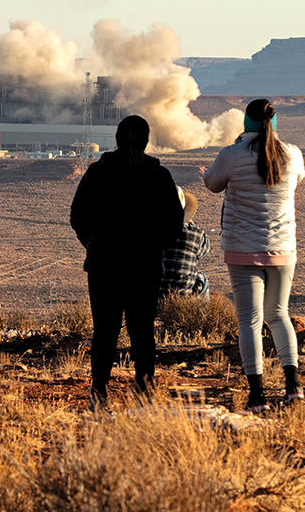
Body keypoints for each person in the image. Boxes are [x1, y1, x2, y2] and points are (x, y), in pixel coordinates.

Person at [70, 115, 183, 410]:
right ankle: (145, 392)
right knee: (142, 331)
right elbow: (175, 222)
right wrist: (157, 248)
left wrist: (94, 245)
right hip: (145, 267)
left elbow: (77, 217)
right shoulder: (159, 176)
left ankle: (99, 393)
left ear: (117, 139)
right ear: (146, 141)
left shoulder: (98, 173)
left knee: (104, 330)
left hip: (104, 265)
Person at [203, 98, 305, 412]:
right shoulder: (292, 154)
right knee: (279, 314)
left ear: (245, 122)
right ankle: (293, 386)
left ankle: (257, 394)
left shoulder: (231, 155)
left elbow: (211, 184)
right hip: (283, 248)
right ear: (274, 123)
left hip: (242, 248)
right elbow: (296, 182)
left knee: (249, 320)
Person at [160, 187, 212, 300]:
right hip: (184, 295)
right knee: (202, 278)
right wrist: (190, 221)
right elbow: (206, 250)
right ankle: (201, 315)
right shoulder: (196, 233)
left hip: (157, 295)